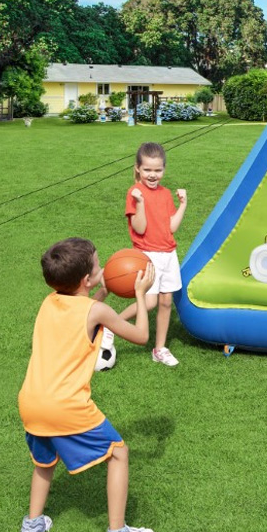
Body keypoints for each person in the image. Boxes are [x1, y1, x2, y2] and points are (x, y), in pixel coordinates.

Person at [17, 237, 158, 532]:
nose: (102, 266)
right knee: (118, 453)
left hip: (31, 401)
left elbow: (80, 311)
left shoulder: (50, 302)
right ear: (86, 279)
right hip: (66, 405)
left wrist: (102, 289)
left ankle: (32, 525)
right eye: (97, 264)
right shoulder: (98, 311)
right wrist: (139, 293)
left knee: (44, 462)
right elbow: (140, 336)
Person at [105, 142, 188, 367]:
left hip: (169, 254)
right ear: (138, 169)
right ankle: (111, 324)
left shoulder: (166, 194)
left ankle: (159, 349)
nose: (153, 175)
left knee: (166, 302)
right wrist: (140, 202)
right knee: (150, 302)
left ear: (164, 169)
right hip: (147, 256)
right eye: (148, 170)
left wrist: (183, 204)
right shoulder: (134, 193)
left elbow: (171, 227)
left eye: (158, 170)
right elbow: (139, 228)